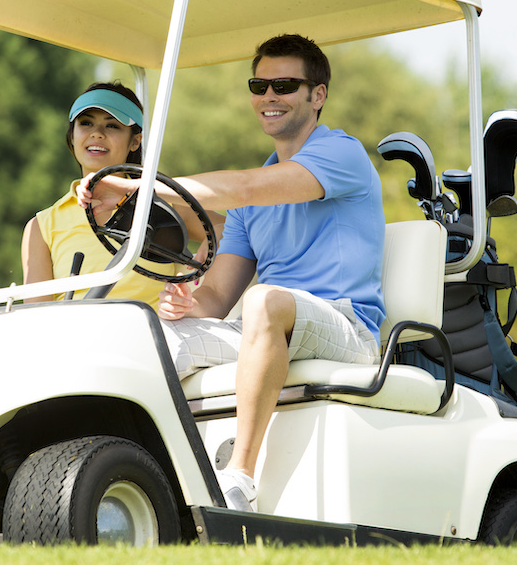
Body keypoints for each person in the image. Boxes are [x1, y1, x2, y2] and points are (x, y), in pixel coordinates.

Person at [79, 35, 385, 511]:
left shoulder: (341, 155)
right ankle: (122, 481)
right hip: (266, 329)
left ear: (317, 95)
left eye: (284, 85)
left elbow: (243, 187)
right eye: (259, 85)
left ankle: (238, 479)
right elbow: (218, 294)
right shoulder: (250, 203)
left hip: (349, 328)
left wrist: (142, 188)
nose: (269, 97)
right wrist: (186, 303)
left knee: (265, 300)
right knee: (150, 339)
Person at [23, 82, 198, 306]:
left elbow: (232, 234)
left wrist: (201, 297)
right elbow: (36, 316)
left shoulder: (165, 202)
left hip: (154, 334)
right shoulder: (41, 226)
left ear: (135, 141)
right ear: (72, 136)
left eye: (112, 126)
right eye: (86, 123)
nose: (97, 133)